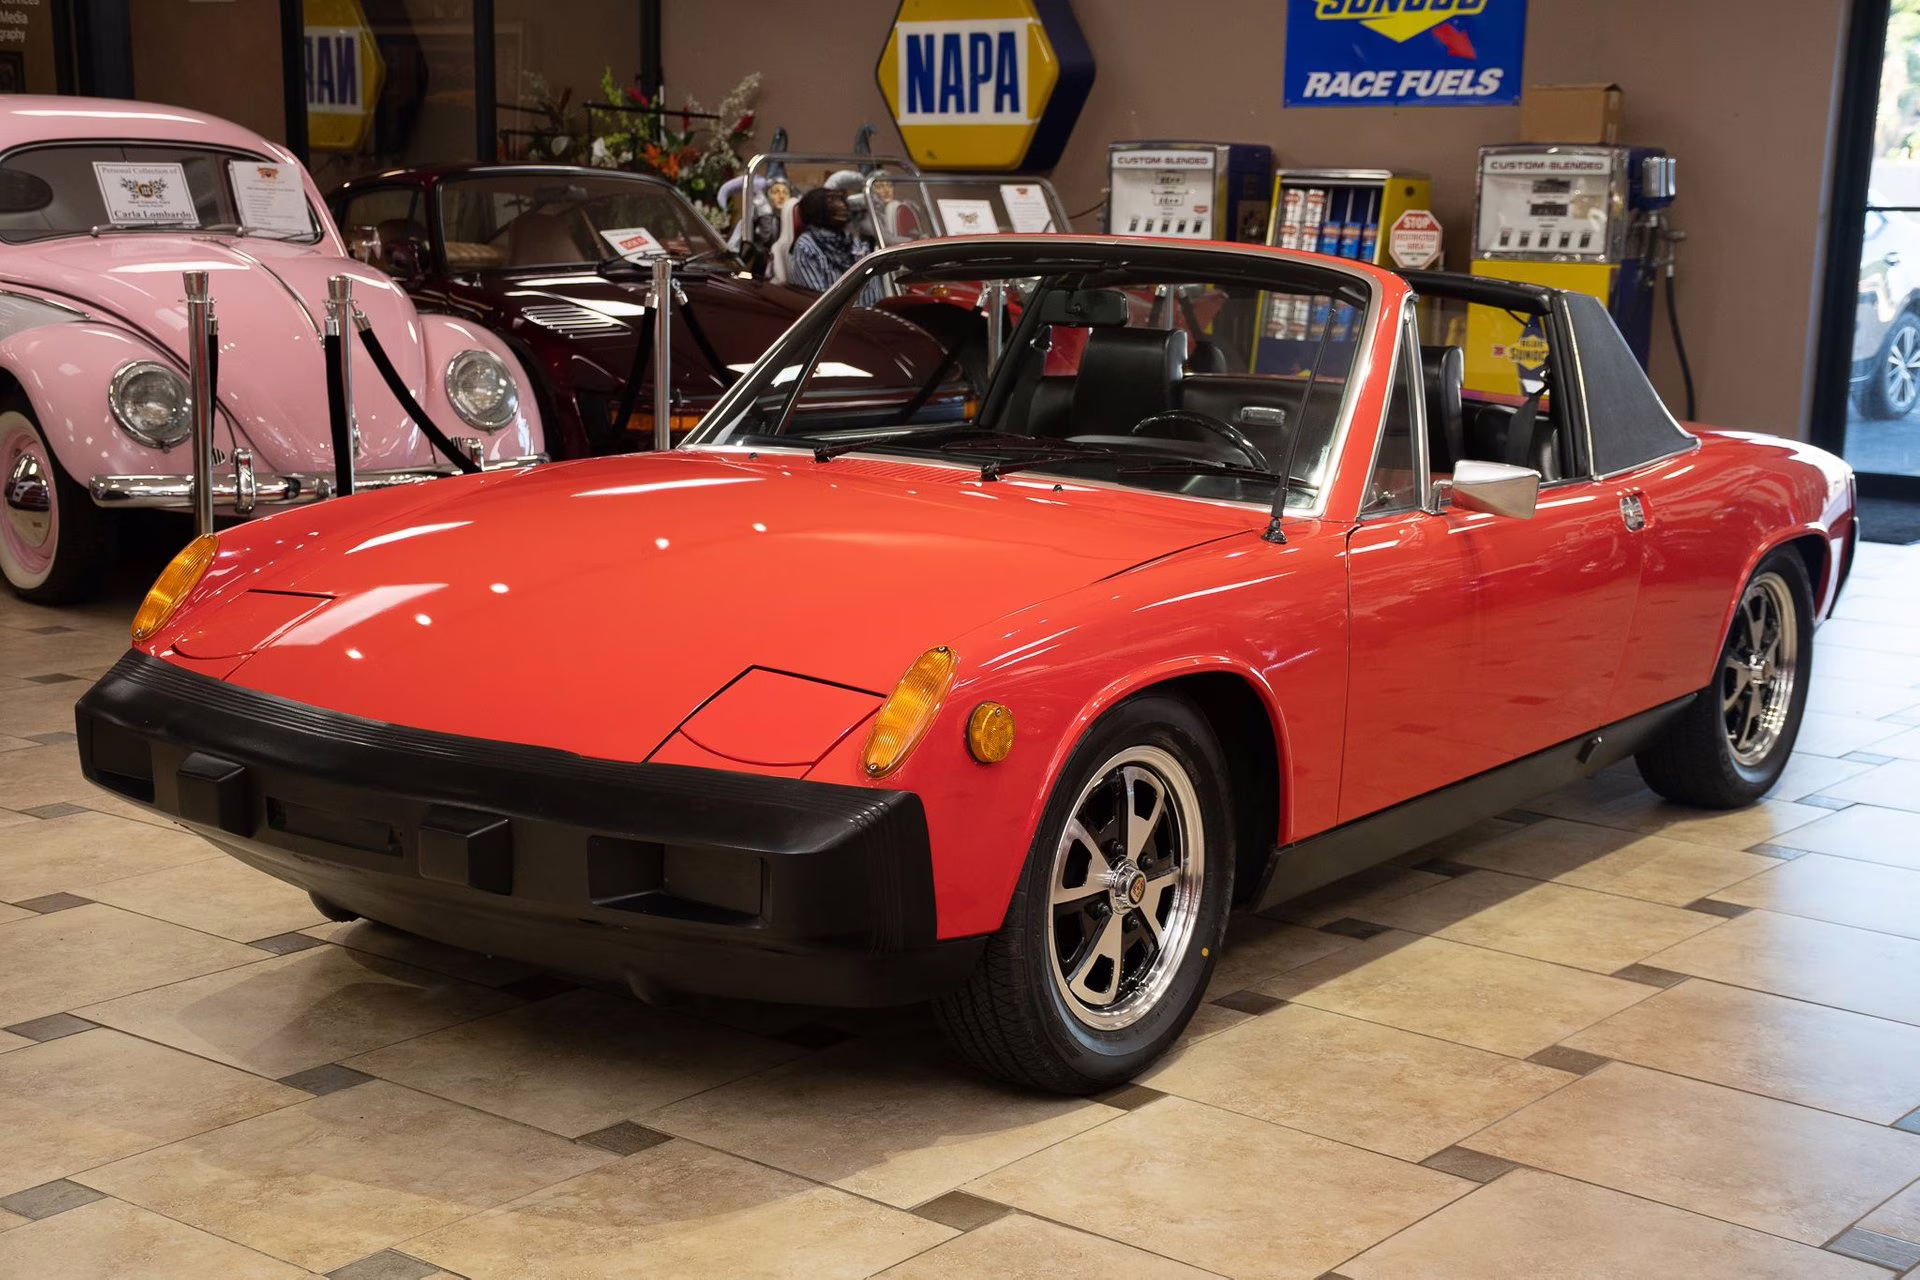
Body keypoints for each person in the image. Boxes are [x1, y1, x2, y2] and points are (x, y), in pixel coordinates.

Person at [790, 186, 880, 303]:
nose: (842, 206)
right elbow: (817, 302)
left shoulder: (852, 240)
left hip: (867, 312)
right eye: (832, 202)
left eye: (840, 200)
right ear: (816, 209)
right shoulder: (806, 246)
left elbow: (873, 288)